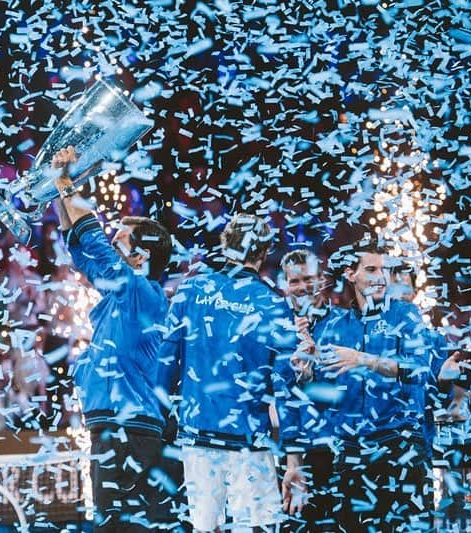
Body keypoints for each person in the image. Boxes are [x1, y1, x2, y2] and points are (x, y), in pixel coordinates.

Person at [52, 146, 176, 531]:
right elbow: (80, 248)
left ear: (141, 257)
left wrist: (65, 179)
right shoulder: (120, 294)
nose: (111, 240)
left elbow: (92, 242)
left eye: (120, 238)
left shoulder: (142, 293)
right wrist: (57, 188)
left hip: (133, 431)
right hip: (112, 427)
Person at [157, 213, 302, 532]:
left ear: (225, 246)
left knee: (205, 528)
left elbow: (164, 367)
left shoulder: (190, 291)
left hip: (197, 440)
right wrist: (294, 458)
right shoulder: (273, 305)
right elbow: (286, 387)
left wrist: (160, 428)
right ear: (264, 253)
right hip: (249, 444)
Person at [315, 243, 433, 531]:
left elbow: (419, 370)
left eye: (385, 270)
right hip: (351, 449)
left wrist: (362, 359)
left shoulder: (405, 314)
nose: (382, 277)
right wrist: (304, 369)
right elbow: (318, 389)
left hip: (399, 444)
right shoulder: (334, 324)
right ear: (350, 274)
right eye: (371, 269)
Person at [278, 249, 344, 531]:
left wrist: (313, 371)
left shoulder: (344, 324)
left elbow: (346, 390)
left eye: (309, 279)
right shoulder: (275, 328)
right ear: (285, 285)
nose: (302, 287)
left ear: (322, 281)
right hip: (287, 452)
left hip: (335, 453)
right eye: (294, 281)